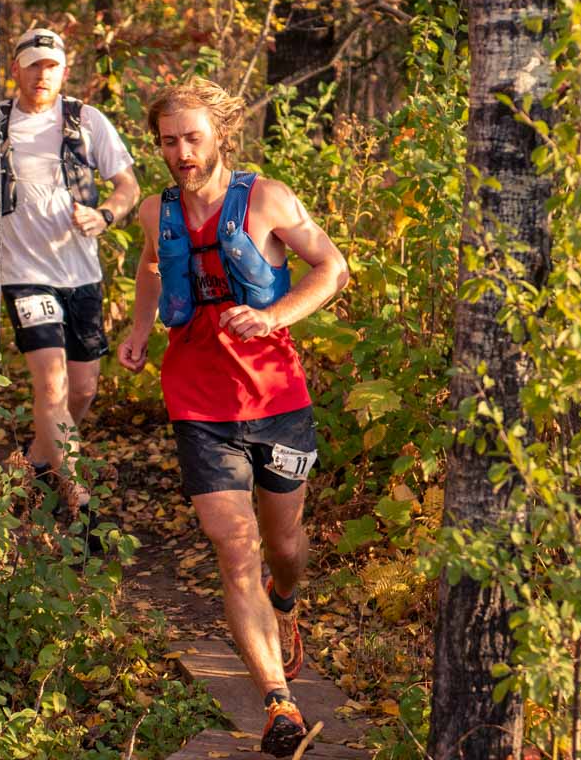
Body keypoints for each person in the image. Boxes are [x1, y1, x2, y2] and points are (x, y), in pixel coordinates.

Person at [117, 79, 349, 757]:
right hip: (197, 400)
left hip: (277, 399)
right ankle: (278, 704)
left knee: (282, 550)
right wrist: (138, 329)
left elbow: (332, 267)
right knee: (235, 547)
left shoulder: (267, 198)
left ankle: (288, 599)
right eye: (168, 140)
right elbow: (152, 265)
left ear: (218, 132)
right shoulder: (158, 211)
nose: (180, 152)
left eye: (191, 137)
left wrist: (273, 315)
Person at [0, 28, 139, 525]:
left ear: (64, 70)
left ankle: (32, 465)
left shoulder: (85, 120)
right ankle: (80, 505)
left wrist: (107, 216)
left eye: (51, 66)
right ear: (16, 68)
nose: (42, 74)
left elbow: (126, 185)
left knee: (82, 390)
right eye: (33, 64)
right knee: (51, 389)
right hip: (23, 272)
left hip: (81, 273)